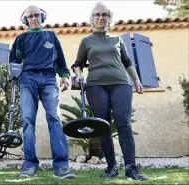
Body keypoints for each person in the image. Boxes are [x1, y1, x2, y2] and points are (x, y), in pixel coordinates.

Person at [71, 2, 148, 181]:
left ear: (109, 18)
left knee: (124, 124)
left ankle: (131, 168)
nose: (100, 17)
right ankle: (111, 167)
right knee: (103, 126)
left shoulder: (117, 40)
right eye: (97, 15)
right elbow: (78, 64)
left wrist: (137, 80)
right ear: (92, 19)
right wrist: (78, 75)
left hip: (120, 83)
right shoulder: (86, 41)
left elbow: (128, 62)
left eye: (104, 15)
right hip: (95, 86)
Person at [9, 5, 76, 179]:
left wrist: (65, 75)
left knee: (55, 118)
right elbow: (13, 61)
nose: (33, 19)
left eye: (37, 15)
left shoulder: (51, 36)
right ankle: (30, 165)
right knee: (27, 121)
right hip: (27, 79)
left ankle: (61, 166)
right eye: (30, 16)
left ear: (42, 17)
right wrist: (13, 73)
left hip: (48, 79)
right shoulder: (20, 39)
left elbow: (61, 61)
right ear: (26, 20)